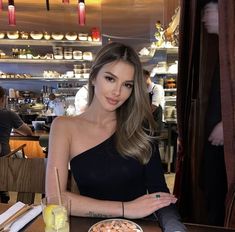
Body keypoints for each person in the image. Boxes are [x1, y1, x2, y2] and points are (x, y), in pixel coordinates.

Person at [46, 42, 186, 231]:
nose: (117, 92)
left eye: (127, 84)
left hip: (137, 227)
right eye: (110, 79)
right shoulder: (63, 127)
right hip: (91, 227)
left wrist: (175, 228)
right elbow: (55, 199)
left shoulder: (140, 127)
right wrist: (126, 208)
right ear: (94, 76)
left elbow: (160, 194)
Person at [200, 1, 227, 226]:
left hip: (225, 140)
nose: (204, 18)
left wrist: (228, 124)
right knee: (212, 189)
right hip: (215, 139)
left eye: (208, 12)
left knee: (220, 193)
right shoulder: (222, 46)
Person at [0, 86, 33, 203]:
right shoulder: (8, 114)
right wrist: (14, 127)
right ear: (2, 99)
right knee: (23, 158)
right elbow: (28, 132)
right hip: (3, 161)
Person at [144, 69, 165, 134]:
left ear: (146, 76)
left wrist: (142, 117)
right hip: (147, 121)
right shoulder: (144, 90)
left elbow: (154, 106)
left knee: (154, 141)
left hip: (156, 121)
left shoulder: (157, 88)